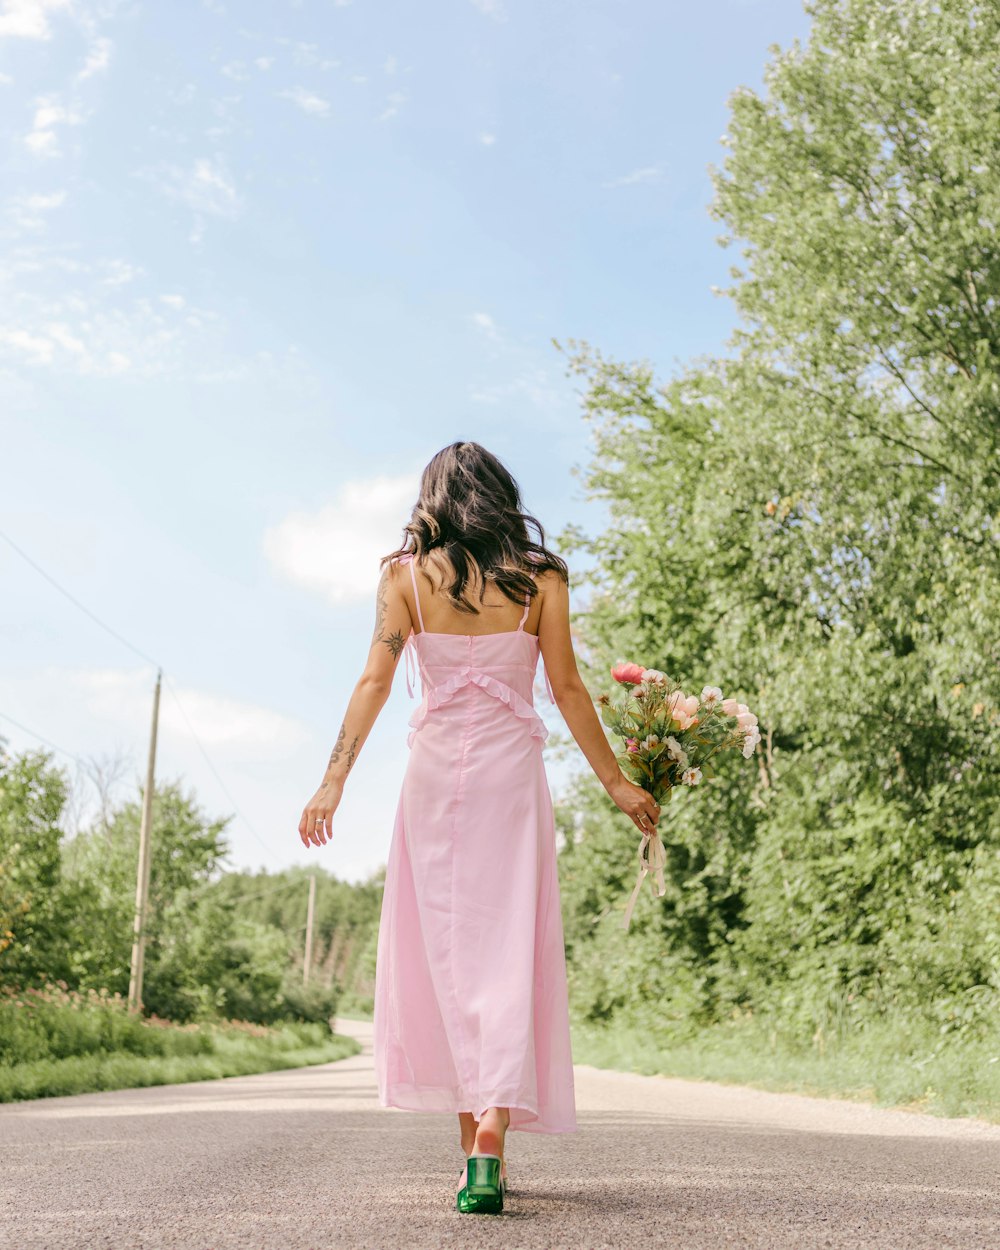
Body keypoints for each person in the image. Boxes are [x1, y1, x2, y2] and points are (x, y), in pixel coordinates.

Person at [297, 441, 660, 1214]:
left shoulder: (404, 577)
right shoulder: (541, 579)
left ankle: (476, 1151)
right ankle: (489, 1137)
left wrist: (332, 781)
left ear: (432, 497)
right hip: (509, 783)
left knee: (447, 956)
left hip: (432, 784)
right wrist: (618, 783)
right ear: (501, 497)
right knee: (504, 950)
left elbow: (375, 678)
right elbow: (565, 686)